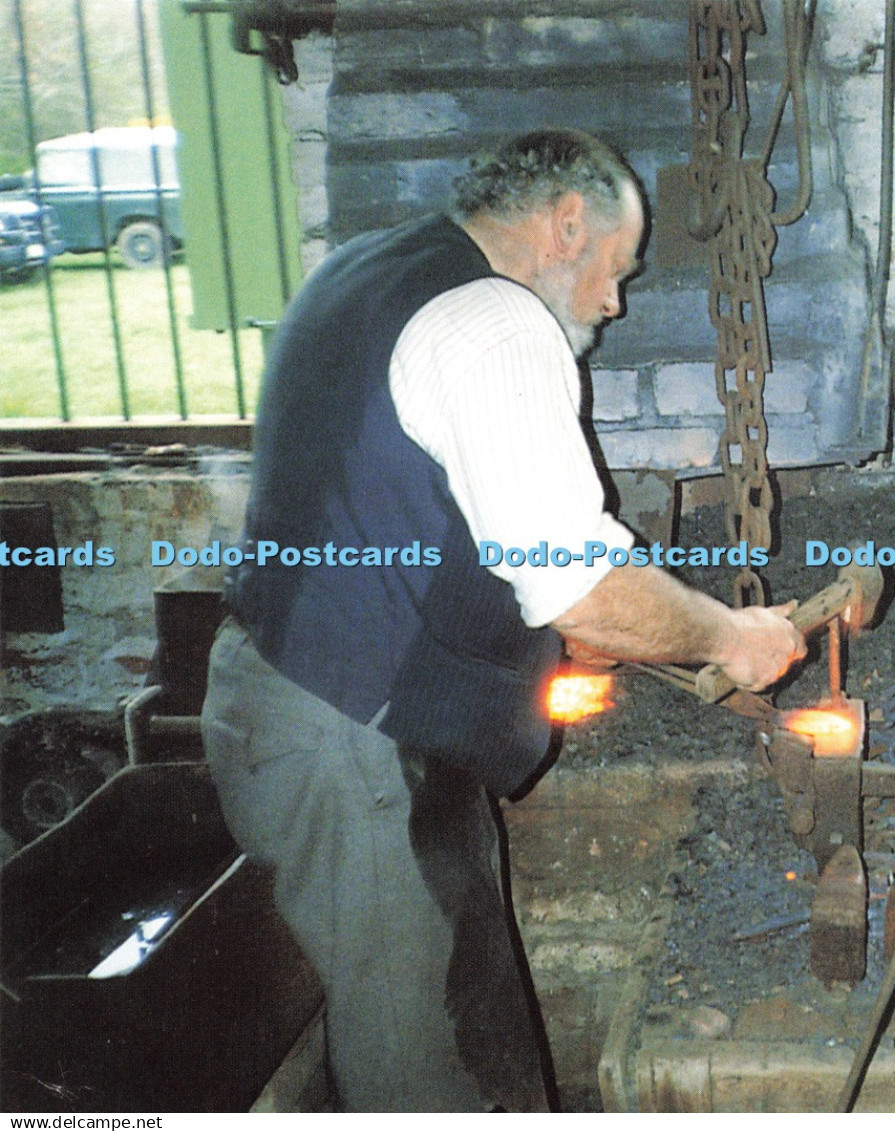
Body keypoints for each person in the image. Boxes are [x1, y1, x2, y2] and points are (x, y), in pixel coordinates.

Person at [200, 129, 805, 1112]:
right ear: (566, 224)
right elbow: (581, 590)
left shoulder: (359, 269)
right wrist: (726, 638)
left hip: (282, 697)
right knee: (427, 1062)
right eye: (616, 269)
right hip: (354, 745)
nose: (614, 304)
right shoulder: (493, 320)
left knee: (413, 1011)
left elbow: (400, 499)